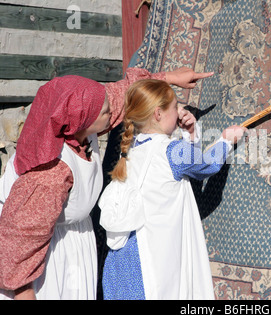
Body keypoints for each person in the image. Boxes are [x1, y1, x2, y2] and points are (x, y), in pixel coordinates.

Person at [0, 66, 214, 300]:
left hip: (74, 241)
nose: (113, 112)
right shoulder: (50, 175)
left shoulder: (80, 125)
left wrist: (170, 78)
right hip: (47, 259)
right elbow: (18, 249)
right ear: (84, 120)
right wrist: (24, 292)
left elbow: (118, 95)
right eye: (105, 112)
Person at [99, 79, 246, 300]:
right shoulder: (171, 150)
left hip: (121, 261)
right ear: (158, 114)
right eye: (175, 106)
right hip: (147, 261)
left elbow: (187, 164)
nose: (179, 113)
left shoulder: (132, 148)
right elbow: (205, 165)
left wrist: (190, 133)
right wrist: (225, 141)